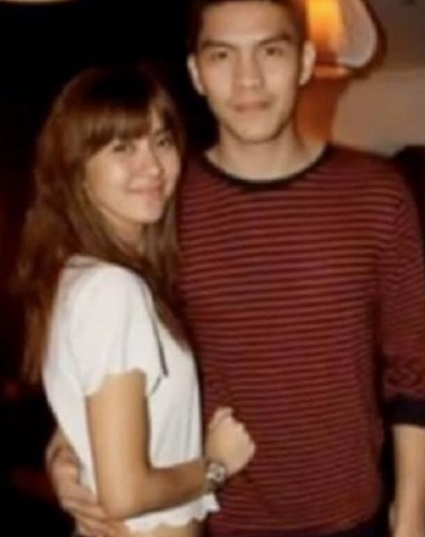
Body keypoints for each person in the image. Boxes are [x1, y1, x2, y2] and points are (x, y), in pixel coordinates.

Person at [46, 1, 425, 537]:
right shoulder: (160, 206)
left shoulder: (378, 195)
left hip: (350, 517)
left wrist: (412, 517)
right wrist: (65, 449)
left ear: (304, 61)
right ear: (197, 72)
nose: (248, 80)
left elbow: (414, 365)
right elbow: (108, 350)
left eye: (270, 51)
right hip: (214, 518)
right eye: (222, 55)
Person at [16, 63, 255, 537]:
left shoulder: (81, 276)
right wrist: (215, 465)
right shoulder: (113, 290)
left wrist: (64, 449)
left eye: (161, 141)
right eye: (122, 147)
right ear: (77, 169)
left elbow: (94, 407)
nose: (152, 166)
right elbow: (125, 494)